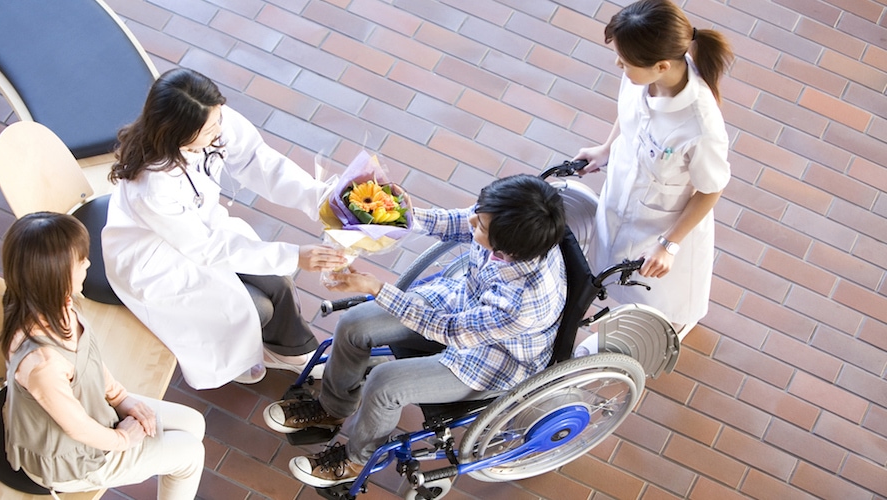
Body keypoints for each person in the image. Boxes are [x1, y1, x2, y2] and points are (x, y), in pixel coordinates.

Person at [264, 174, 568, 487]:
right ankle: (332, 408)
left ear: (508, 250)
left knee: (384, 385)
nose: (473, 219)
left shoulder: (525, 302)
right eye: (480, 209)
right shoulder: (503, 224)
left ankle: (358, 459)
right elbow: (456, 223)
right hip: (463, 302)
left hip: (493, 358)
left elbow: (449, 331)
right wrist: (399, 213)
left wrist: (376, 288)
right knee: (354, 324)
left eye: (481, 225)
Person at [102, 68, 347, 389]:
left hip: (202, 234)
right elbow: (206, 249)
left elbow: (260, 163)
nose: (220, 130)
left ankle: (295, 352)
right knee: (253, 309)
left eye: (219, 118)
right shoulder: (153, 187)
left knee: (279, 282)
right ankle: (249, 354)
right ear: (179, 133)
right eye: (211, 127)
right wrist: (295, 255)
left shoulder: (209, 119)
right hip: (156, 261)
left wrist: (323, 199)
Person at [0, 212, 205, 498]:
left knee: (194, 424)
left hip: (93, 411)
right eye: (80, 260)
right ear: (54, 276)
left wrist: (122, 398)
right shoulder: (42, 364)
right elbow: (77, 428)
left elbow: (89, 360)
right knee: (190, 454)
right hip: (71, 458)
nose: (88, 264)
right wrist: (123, 438)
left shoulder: (54, 303)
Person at [573, 0, 733, 344]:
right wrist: (605, 148)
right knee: (611, 261)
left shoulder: (700, 126)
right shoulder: (639, 74)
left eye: (625, 61)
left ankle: (670, 327)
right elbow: (631, 115)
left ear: (661, 66)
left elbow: (711, 190)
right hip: (623, 189)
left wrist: (669, 245)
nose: (619, 64)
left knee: (658, 291)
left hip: (664, 221)